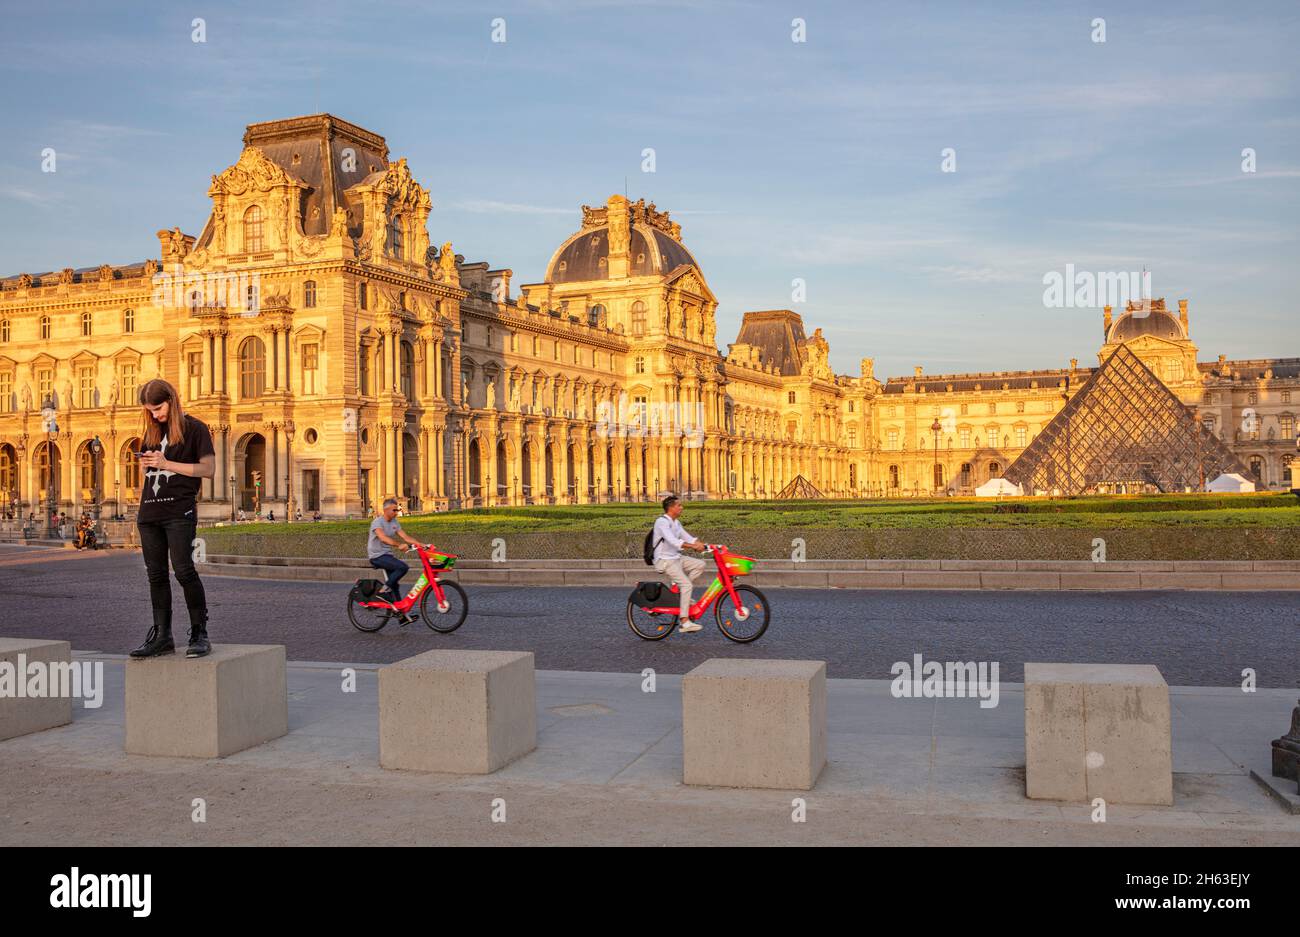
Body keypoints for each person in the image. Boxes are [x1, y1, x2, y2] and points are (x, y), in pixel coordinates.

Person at [128, 378, 216, 659]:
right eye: (150, 411)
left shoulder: (195, 429)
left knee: (184, 570)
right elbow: (152, 475)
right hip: (150, 512)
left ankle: (199, 632)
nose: (155, 415)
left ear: (172, 400)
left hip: (179, 511)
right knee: (155, 575)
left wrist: (166, 463)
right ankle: (162, 635)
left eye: (158, 408)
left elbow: (209, 469)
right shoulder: (151, 433)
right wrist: (147, 465)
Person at [650, 494, 708, 633]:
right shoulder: (662, 522)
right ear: (671, 508)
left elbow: (687, 537)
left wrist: (704, 545)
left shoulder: (676, 523)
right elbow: (674, 541)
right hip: (665, 560)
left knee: (700, 565)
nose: (682, 508)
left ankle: (682, 593)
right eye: (679, 505)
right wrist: (694, 547)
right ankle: (684, 621)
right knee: (687, 584)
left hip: (676, 558)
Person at [367, 497, 422, 625]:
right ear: (386, 510)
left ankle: (401, 616)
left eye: (397, 510)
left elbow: (405, 537)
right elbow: (383, 538)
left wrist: (422, 545)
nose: (396, 512)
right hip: (376, 556)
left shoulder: (394, 522)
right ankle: (383, 591)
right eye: (394, 510)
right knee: (402, 567)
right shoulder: (377, 522)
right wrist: (399, 545)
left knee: (395, 584)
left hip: (387, 555)